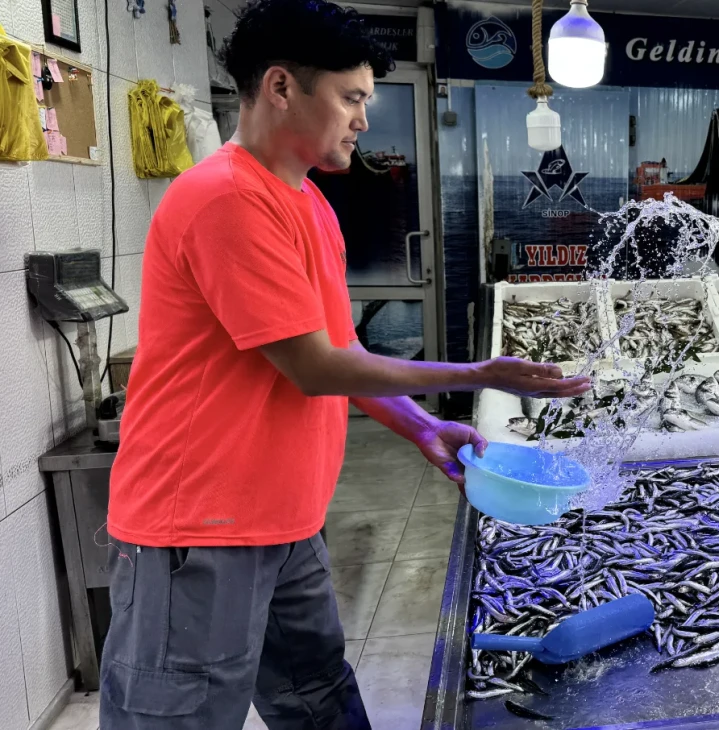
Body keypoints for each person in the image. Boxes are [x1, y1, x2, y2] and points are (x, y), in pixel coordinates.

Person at [100, 0, 591, 727]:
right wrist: (479, 373)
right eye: (351, 98)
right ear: (280, 87)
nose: (363, 118)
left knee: (318, 699)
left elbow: (345, 352)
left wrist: (421, 426)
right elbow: (315, 369)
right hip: (197, 532)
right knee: (180, 717)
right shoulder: (225, 198)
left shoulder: (308, 205)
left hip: (285, 521)